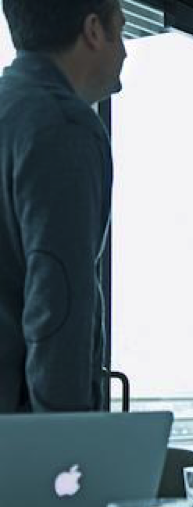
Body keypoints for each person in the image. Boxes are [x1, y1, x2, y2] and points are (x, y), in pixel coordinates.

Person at [0, 0, 126, 412]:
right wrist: (67, 449)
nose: (124, 52)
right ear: (93, 30)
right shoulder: (61, 124)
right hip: (19, 439)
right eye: (120, 31)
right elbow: (58, 301)